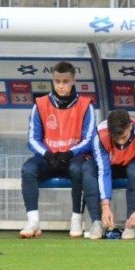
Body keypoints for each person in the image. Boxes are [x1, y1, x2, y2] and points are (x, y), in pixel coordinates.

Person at [19, 62, 96, 239]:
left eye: (65, 81)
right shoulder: (40, 104)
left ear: (73, 81)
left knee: (79, 170)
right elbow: (32, 138)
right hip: (49, 156)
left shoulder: (85, 105)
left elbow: (89, 139)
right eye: (57, 81)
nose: (61, 85)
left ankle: (76, 219)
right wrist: (47, 154)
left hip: (73, 156)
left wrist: (70, 153)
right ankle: (33, 221)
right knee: (28, 170)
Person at [83, 109, 135, 239]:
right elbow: (104, 172)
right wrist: (105, 206)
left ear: (130, 126)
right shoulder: (99, 136)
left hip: (132, 163)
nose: (120, 142)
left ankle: (130, 224)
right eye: (115, 138)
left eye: (123, 137)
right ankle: (97, 222)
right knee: (88, 169)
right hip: (110, 164)